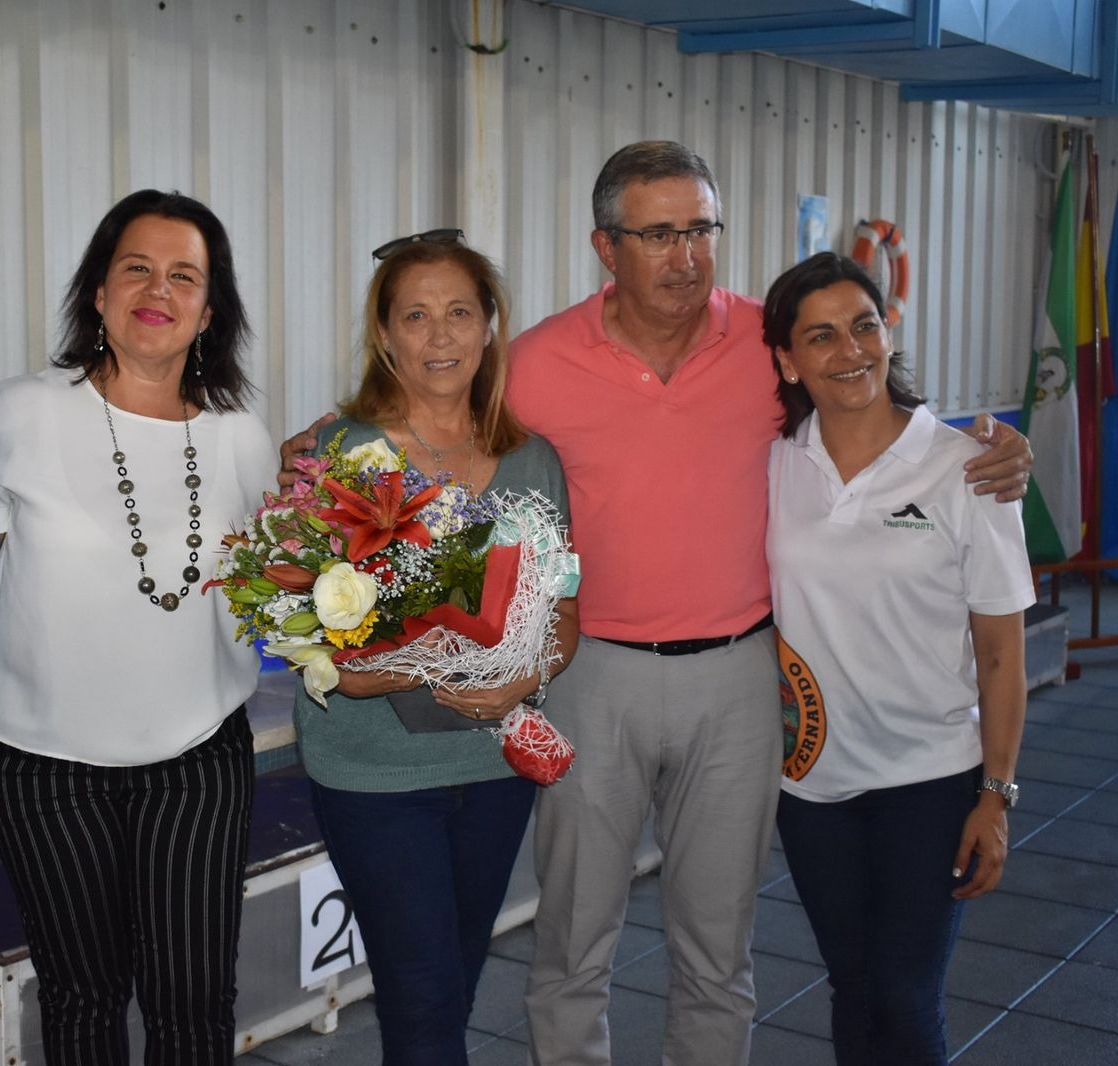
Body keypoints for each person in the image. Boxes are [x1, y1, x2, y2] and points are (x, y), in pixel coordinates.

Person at [279, 140, 1031, 1066]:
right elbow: (434, 398)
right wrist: (324, 437)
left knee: (718, 950)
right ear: (607, 247)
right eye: (658, 234)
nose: (685, 255)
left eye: (701, 229)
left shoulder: (768, 343)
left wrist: (989, 445)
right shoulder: (537, 363)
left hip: (740, 680)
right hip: (590, 676)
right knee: (572, 943)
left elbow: (867, 397)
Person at [0, 189, 275, 1065]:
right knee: (82, 997)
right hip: (39, 761)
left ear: (209, 313)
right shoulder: (14, 413)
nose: (157, 289)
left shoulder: (241, 437)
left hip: (198, 755)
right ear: (99, 293)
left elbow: (271, 582)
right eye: (136, 267)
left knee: (193, 1001)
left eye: (184, 276)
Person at [293, 232, 580, 1065]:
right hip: (375, 774)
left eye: (459, 311)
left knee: (452, 985)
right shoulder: (339, 457)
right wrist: (366, 671)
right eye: (415, 316)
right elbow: (302, 626)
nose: (441, 334)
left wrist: (525, 675)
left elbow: (564, 612)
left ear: (489, 326)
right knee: (422, 999)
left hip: (492, 772)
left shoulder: (534, 463)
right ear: (385, 335)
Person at [763, 252, 1032, 1063]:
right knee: (853, 989)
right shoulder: (776, 462)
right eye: (821, 336)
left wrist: (995, 795)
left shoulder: (965, 468)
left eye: (864, 326)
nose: (850, 350)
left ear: (888, 333)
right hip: (813, 786)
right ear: (789, 361)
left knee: (905, 999)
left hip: (931, 780)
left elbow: (1001, 654)